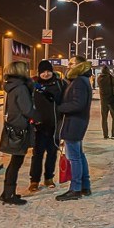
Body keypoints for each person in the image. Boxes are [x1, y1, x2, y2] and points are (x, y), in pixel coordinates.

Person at [56, 55, 93, 201]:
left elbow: (78, 104)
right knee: (79, 155)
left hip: (74, 123)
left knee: (74, 158)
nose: (68, 66)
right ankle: (85, 185)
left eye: (72, 63)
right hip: (77, 122)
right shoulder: (82, 80)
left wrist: (60, 108)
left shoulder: (79, 81)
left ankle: (75, 189)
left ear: (79, 65)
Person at [0, 60, 36, 206]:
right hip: (20, 128)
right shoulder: (21, 88)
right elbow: (27, 109)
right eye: (25, 69)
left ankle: (6, 193)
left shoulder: (13, 86)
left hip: (14, 126)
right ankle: (9, 194)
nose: (28, 71)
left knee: (15, 161)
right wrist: (38, 118)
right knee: (16, 162)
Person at [27, 59, 66, 193]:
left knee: (52, 153)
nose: (46, 74)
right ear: (39, 73)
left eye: (48, 71)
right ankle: (34, 180)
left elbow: (63, 102)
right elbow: (28, 105)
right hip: (38, 126)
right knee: (37, 154)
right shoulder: (33, 86)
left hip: (54, 125)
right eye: (43, 72)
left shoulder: (60, 84)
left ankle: (49, 177)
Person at [97, 65, 114, 139]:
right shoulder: (110, 77)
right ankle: (113, 134)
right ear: (108, 71)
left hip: (103, 101)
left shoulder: (99, 78)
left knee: (104, 119)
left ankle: (105, 135)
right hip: (112, 101)